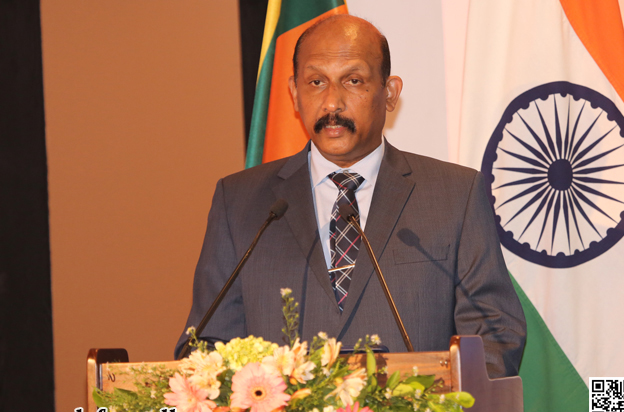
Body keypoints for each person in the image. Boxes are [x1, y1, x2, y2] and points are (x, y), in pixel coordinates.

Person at [175, 15, 526, 378]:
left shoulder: (454, 195)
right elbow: (206, 347)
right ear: (295, 93)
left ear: (389, 93)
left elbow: (495, 336)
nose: (332, 103)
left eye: (353, 80)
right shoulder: (240, 203)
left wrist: (440, 404)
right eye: (316, 82)